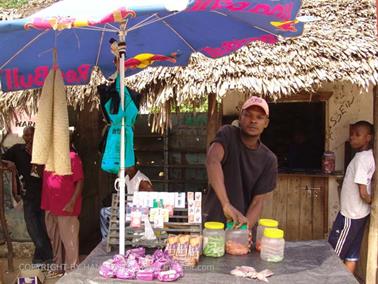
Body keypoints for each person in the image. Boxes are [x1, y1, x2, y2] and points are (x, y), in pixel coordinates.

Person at [204, 96, 278, 229]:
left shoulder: (269, 159)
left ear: (266, 123)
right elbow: (212, 160)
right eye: (248, 115)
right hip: (213, 224)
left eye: (259, 117)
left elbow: (257, 202)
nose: (253, 120)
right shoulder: (227, 134)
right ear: (240, 117)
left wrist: (244, 231)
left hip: (241, 226)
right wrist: (226, 205)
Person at [328, 120, 375, 274]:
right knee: (351, 255)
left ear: (368, 138)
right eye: (351, 134)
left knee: (333, 255)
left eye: (357, 135)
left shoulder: (361, 159)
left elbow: (362, 192)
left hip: (350, 215)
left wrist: (372, 202)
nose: (352, 138)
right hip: (359, 215)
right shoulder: (369, 156)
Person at [1, 126, 53, 265]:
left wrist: (36, 157)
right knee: (33, 229)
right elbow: (2, 160)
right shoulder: (18, 149)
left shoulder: (44, 151)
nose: (28, 138)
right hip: (28, 197)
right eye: (26, 135)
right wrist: (9, 164)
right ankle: (48, 257)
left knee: (44, 228)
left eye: (31, 135)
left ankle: (39, 259)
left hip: (45, 196)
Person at [41, 128, 84, 273]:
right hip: (49, 205)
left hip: (66, 206)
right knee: (55, 239)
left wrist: (72, 202)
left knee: (69, 241)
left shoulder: (72, 157)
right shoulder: (49, 158)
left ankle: (71, 272)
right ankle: (58, 266)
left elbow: (80, 181)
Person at [100, 166, 152, 239]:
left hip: (137, 212)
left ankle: (106, 238)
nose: (126, 169)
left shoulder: (142, 180)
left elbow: (150, 199)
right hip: (128, 210)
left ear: (133, 166)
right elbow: (118, 186)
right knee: (104, 212)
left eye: (127, 167)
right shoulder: (128, 177)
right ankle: (107, 237)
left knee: (104, 212)